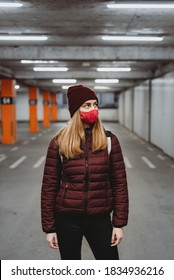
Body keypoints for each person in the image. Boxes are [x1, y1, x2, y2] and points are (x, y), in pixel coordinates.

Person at [41, 85, 128, 260]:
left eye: (95, 104)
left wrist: (118, 224)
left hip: (100, 219)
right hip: (67, 219)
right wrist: (50, 228)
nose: (93, 109)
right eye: (86, 105)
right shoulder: (59, 142)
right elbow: (49, 187)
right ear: (75, 110)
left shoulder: (109, 140)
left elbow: (120, 184)